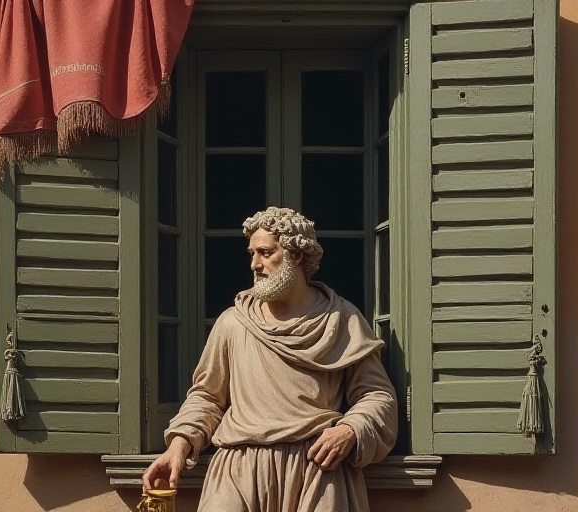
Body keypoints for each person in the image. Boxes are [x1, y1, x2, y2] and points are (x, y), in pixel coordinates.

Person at [142, 207, 397, 512]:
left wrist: (351, 429)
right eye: (252, 253)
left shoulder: (341, 320)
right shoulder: (234, 323)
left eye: (265, 253)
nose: (255, 264)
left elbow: (377, 396)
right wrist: (178, 445)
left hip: (316, 471)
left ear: (297, 255)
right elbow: (207, 397)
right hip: (239, 470)